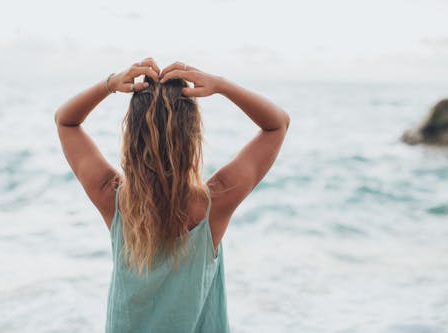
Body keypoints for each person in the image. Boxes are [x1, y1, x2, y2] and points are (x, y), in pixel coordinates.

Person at [54, 57, 290, 332]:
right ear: (193, 137)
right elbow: (277, 124)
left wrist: (110, 84)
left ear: (131, 137)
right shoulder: (213, 204)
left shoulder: (114, 198)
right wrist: (221, 85)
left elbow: (65, 121)